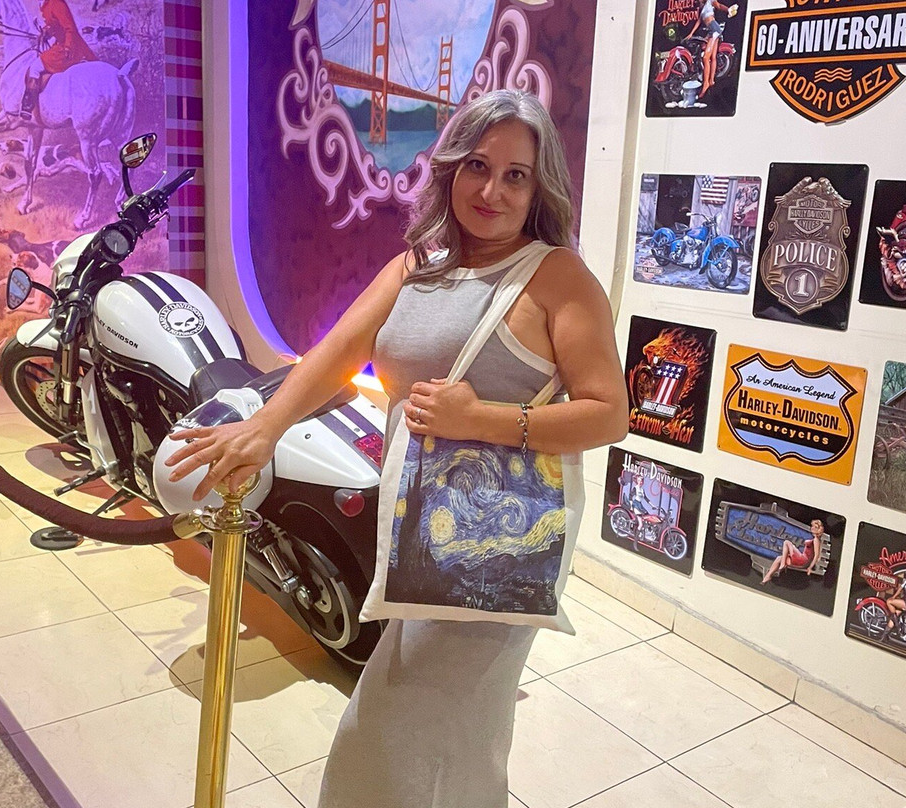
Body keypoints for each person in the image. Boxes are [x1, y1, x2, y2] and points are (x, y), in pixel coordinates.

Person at [164, 90, 628, 807]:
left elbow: (609, 414)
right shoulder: (418, 266)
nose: (492, 191)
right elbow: (335, 352)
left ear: (540, 188)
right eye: (478, 166)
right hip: (415, 530)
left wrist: (482, 419)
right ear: (450, 168)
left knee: (399, 730)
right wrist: (265, 426)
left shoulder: (556, 276)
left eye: (516, 175)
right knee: (455, 737)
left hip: (497, 548)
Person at [21, 0, 96, 118]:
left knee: (35, 67)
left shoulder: (56, 3)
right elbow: (56, 25)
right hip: (63, 45)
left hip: (70, 48)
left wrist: (67, 47)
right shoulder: (46, 4)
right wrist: (46, 32)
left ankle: (28, 106)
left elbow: (70, 28)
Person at [685, 0, 739, 99]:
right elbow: (699, 21)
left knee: (706, 57)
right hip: (712, 30)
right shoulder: (702, 9)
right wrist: (691, 33)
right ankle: (711, 81)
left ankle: (706, 83)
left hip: (714, 29)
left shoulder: (710, 2)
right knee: (713, 57)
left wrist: (728, 10)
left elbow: (719, 5)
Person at [760, 518, 823, 584]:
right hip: (802, 557)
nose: (812, 528)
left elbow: (816, 555)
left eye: (815, 527)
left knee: (786, 542)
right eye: (812, 526)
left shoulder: (816, 540)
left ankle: (782, 564)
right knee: (779, 558)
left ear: (819, 529)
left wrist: (810, 567)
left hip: (803, 560)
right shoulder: (815, 539)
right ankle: (767, 577)